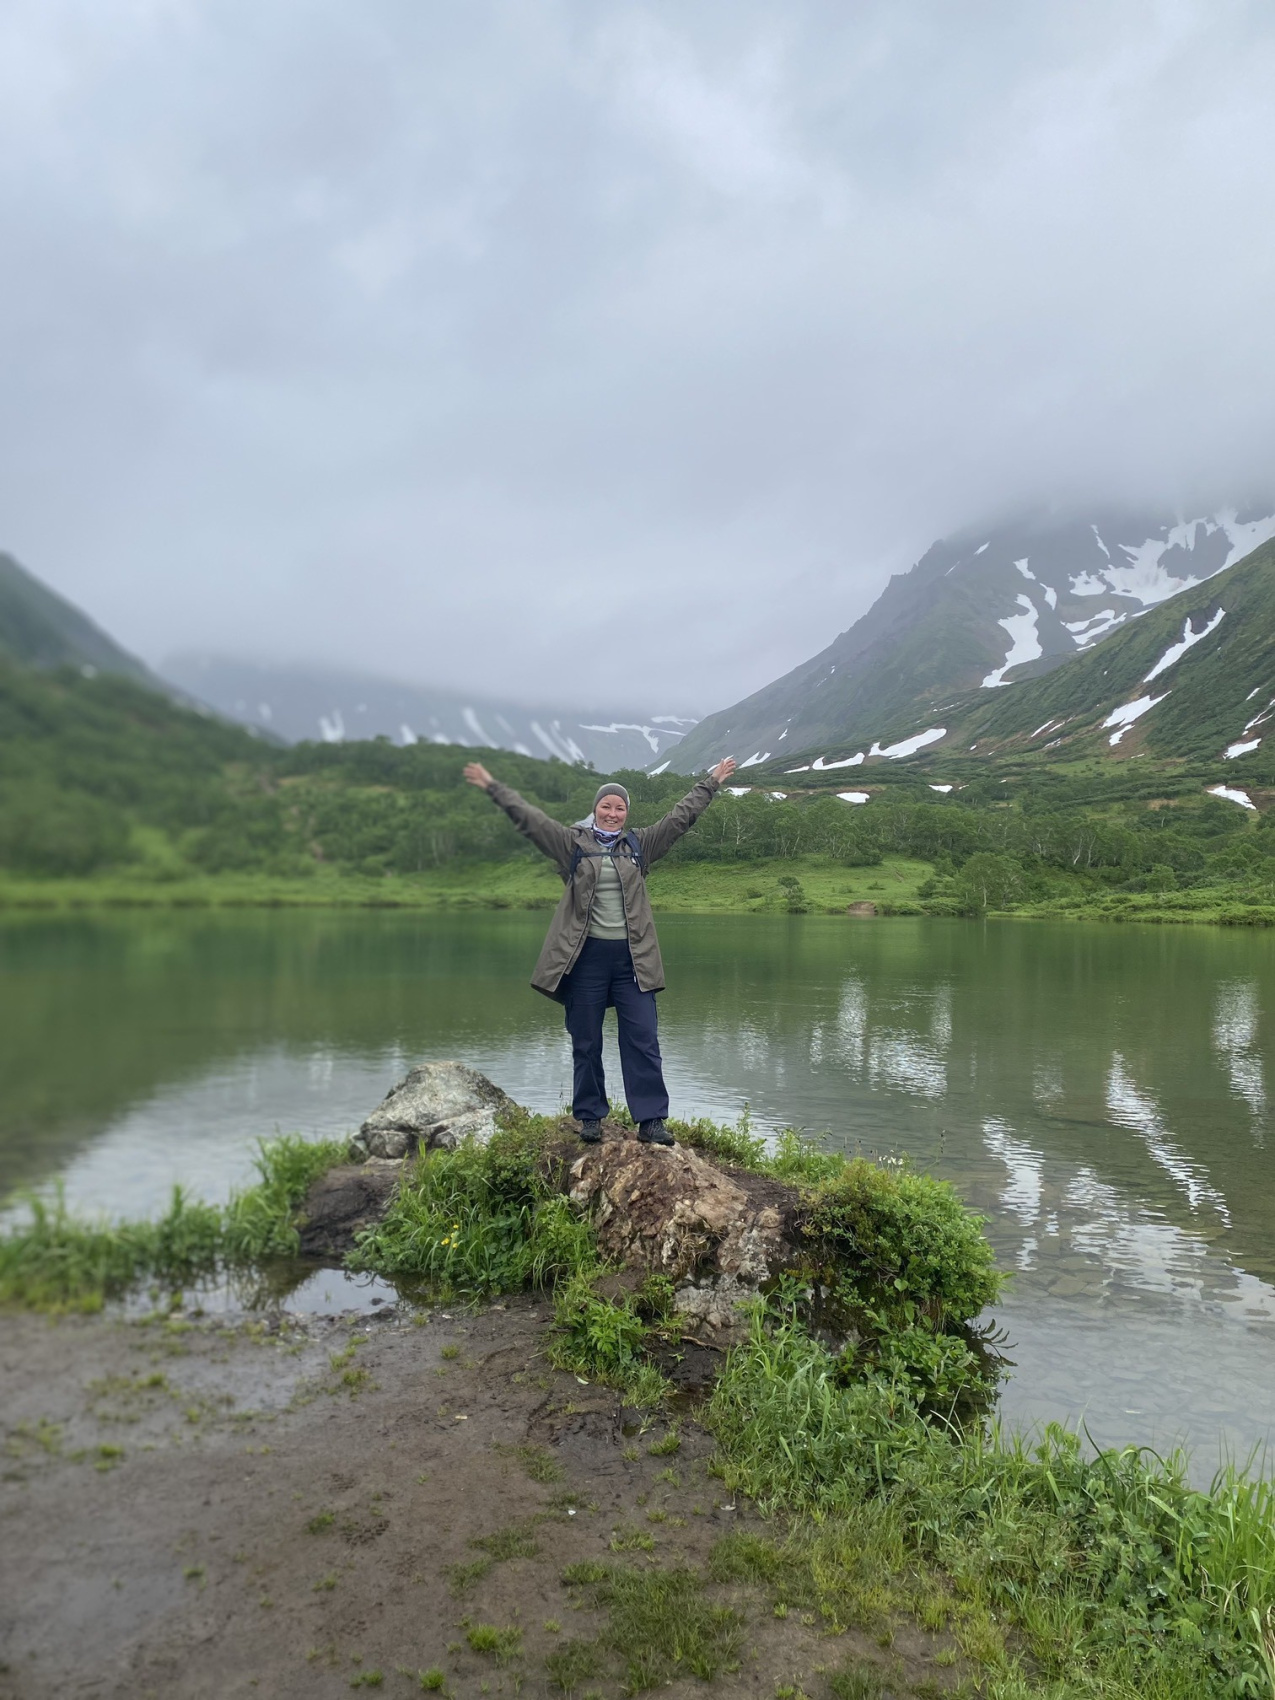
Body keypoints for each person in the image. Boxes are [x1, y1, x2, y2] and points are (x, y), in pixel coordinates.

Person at [462, 757, 737, 1145]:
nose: (612, 813)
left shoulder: (641, 844)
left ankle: (651, 1121)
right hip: (585, 958)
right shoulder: (572, 843)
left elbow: (680, 817)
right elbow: (530, 819)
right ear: (595, 809)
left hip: (633, 960)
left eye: (619, 807)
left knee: (643, 1038)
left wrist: (711, 782)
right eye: (605, 806)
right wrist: (494, 786)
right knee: (586, 1040)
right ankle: (590, 1116)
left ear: (626, 813)